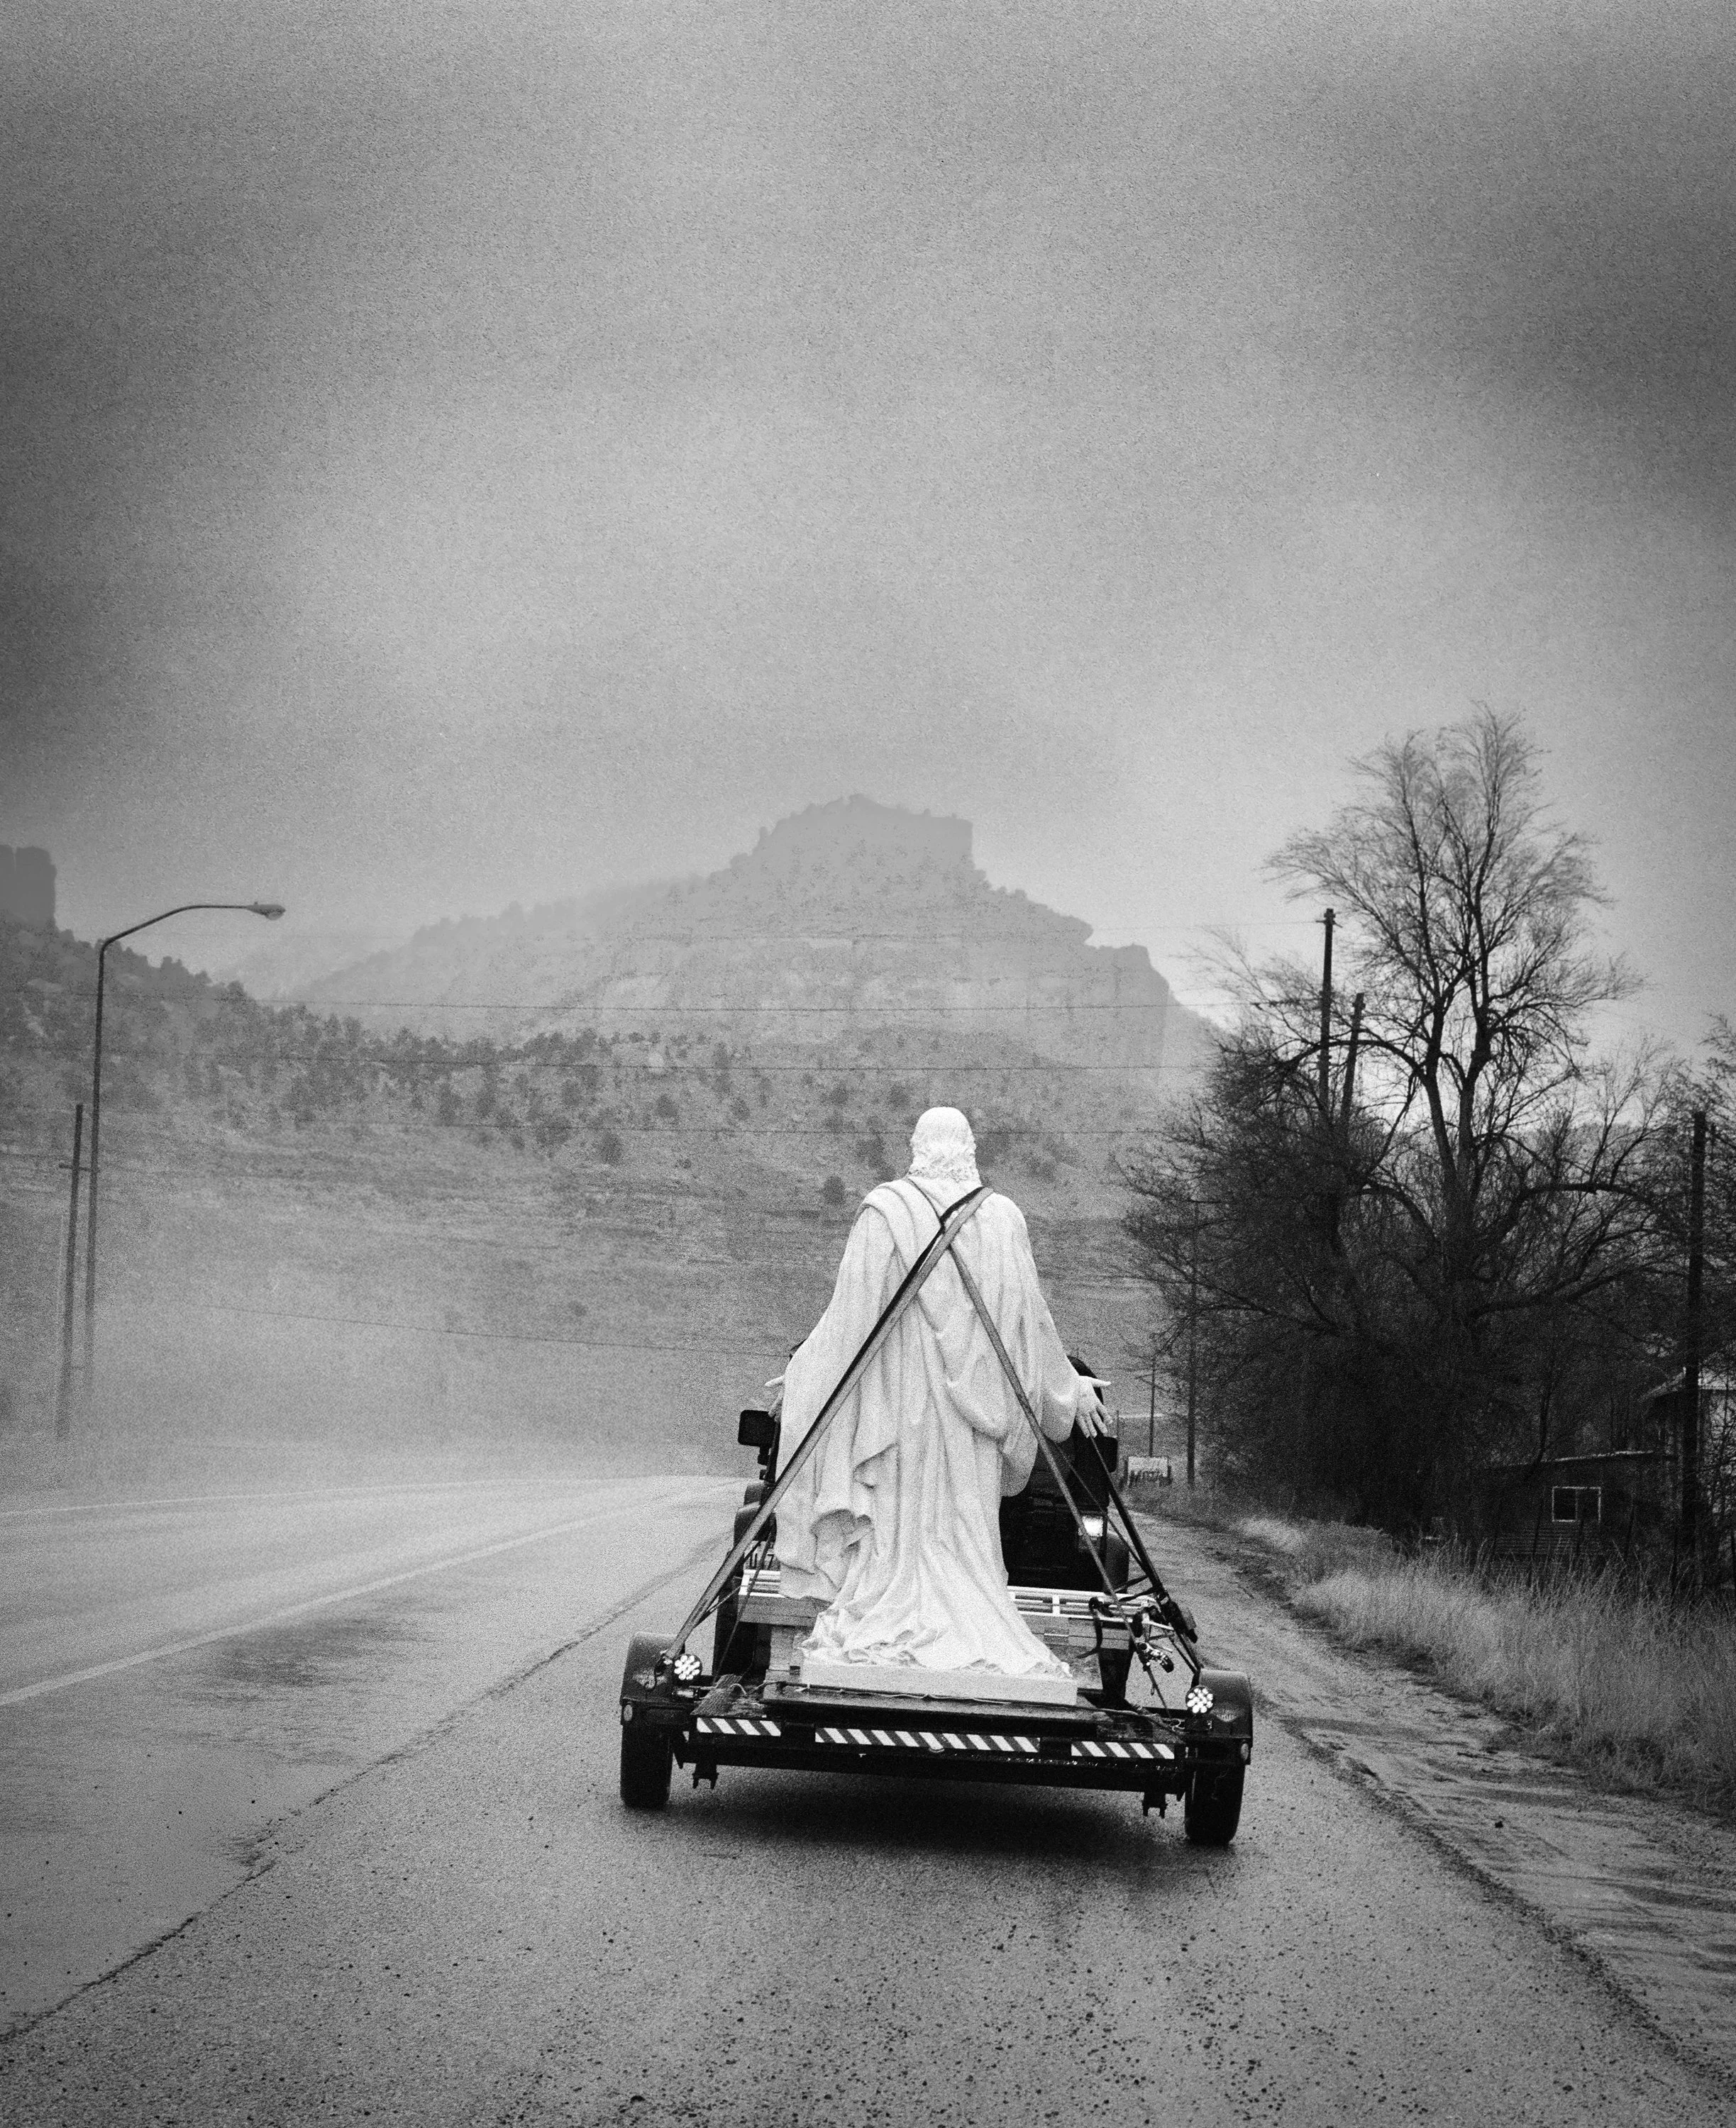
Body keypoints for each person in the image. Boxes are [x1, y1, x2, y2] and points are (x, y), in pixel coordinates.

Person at [773, 1106, 1106, 1685]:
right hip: (973, 1424)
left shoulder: (885, 1213)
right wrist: (1067, 1387)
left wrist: (806, 1372)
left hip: (900, 1412)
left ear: (917, 1147)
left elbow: (849, 1317)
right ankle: (967, 1622)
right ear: (969, 1148)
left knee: (898, 1535)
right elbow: (1034, 1321)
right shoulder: (1003, 1219)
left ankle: (889, 1613)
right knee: (964, 1537)